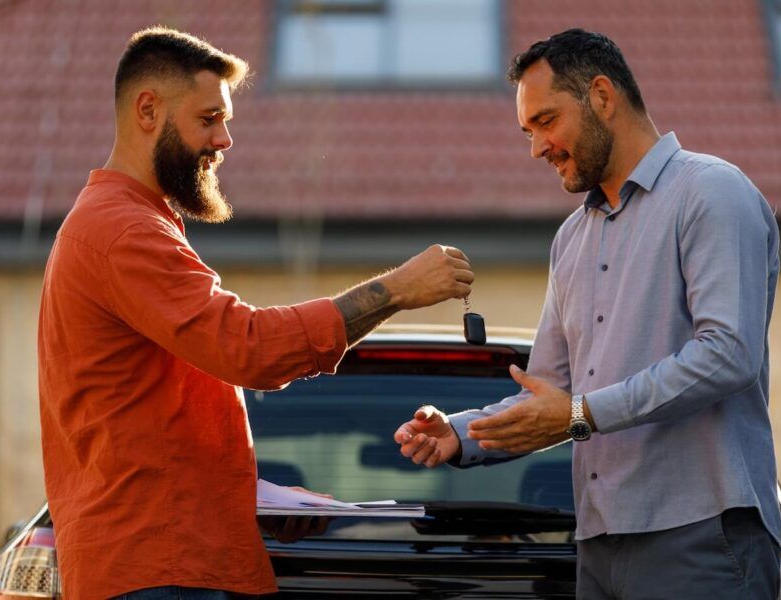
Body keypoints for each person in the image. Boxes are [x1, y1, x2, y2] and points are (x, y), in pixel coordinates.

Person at [38, 27, 474, 600]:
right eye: (209, 118)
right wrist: (397, 289)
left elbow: (157, 425)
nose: (224, 140)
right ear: (148, 110)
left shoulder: (124, 224)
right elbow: (249, 349)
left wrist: (253, 498)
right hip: (160, 569)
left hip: (169, 559)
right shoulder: (122, 231)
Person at [394, 28, 781, 599]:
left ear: (602, 96)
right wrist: (459, 434)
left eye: (546, 121)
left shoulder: (712, 192)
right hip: (598, 540)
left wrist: (578, 414)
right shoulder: (572, 237)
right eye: (528, 131)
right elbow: (551, 394)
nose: (536, 148)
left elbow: (728, 355)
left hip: (702, 536)